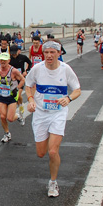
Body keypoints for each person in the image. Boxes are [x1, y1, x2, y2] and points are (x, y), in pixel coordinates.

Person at [25, 41, 81, 197]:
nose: (49, 55)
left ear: (59, 53)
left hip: (58, 113)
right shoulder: (37, 69)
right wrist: (30, 100)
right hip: (41, 113)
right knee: (41, 153)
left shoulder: (65, 69)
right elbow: (28, 85)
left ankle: (53, 183)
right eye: (46, 52)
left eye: (52, 52)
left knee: (52, 151)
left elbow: (77, 90)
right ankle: (49, 138)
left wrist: (68, 99)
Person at [0, 52, 26, 142]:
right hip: (2, 95)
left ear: (9, 61)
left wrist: (17, 89)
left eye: (4, 60)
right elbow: (0, 81)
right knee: (2, 116)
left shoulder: (14, 71)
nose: (2, 62)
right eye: (1, 60)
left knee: (10, 118)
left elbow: (22, 80)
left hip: (11, 96)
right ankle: (7, 134)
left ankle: (18, 116)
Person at [9, 44, 32, 123]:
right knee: (16, 96)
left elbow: (30, 62)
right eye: (12, 53)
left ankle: (20, 105)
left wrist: (26, 71)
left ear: (18, 51)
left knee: (18, 95)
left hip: (21, 78)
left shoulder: (22, 57)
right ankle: (20, 104)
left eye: (15, 53)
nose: (14, 55)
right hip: (12, 80)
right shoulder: (9, 59)